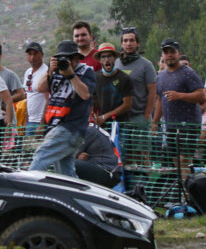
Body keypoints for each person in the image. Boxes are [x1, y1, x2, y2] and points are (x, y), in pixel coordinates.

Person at [28, 40, 96, 177]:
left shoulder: (86, 71)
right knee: (65, 172)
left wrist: (71, 75)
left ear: (76, 57)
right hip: (57, 125)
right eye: (62, 57)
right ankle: (76, 190)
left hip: (71, 127)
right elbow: (40, 88)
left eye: (70, 57)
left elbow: (86, 94)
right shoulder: (55, 71)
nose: (66, 61)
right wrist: (50, 71)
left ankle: (27, 185)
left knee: (41, 155)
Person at [152, 38, 206, 179]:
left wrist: (180, 95)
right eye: (166, 52)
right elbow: (159, 100)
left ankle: (189, 190)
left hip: (189, 124)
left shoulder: (188, 73)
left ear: (179, 54)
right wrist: (154, 122)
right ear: (162, 56)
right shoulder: (161, 76)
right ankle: (186, 186)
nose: (169, 55)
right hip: (170, 125)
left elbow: (202, 96)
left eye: (172, 52)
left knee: (185, 160)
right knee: (176, 160)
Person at [114, 27, 157, 163]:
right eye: (125, 40)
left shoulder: (146, 65)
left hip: (139, 116)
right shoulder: (116, 63)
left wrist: (146, 116)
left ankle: (146, 177)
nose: (129, 43)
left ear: (137, 43)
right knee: (124, 156)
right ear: (121, 43)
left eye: (132, 40)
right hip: (121, 118)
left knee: (142, 157)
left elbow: (152, 92)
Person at [93, 42, 133, 128]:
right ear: (99, 60)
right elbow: (95, 101)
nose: (107, 60)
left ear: (115, 58)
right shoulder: (95, 77)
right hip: (102, 125)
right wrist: (93, 114)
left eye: (109, 56)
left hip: (121, 125)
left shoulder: (124, 78)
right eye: (103, 57)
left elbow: (127, 105)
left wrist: (106, 116)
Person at [74, 124, 122, 189]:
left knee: (69, 163)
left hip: (108, 171)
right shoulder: (91, 128)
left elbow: (67, 154)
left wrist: (76, 155)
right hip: (104, 169)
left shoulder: (89, 129)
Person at [22, 41, 48, 137]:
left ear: (42, 54)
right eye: (30, 54)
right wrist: (26, 120)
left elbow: (48, 99)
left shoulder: (46, 72)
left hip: (41, 122)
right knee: (28, 146)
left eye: (35, 54)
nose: (32, 57)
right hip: (30, 122)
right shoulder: (28, 72)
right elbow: (28, 96)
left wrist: (42, 123)